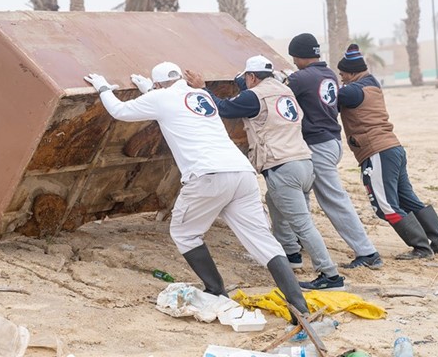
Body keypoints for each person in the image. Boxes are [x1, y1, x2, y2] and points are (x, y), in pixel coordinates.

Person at [83, 61, 310, 319]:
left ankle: (216, 289)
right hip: (241, 173)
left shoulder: (161, 97)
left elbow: (120, 111)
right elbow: (175, 107)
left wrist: (103, 87)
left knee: (184, 233)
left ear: (158, 85)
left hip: (207, 175)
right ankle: (300, 308)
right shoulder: (201, 95)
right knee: (264, 243)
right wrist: (150, 91)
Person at [185, 55, 345, 291]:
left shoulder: (254, 96)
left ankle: (330, 276)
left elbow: (223, 108)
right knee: (274, 201)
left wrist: (202, 89)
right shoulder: (284, 90)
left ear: (251, 77)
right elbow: (251, 92)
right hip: (303, 162)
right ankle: (291, 254)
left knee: (303, 224)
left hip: (282, 166)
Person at [336, 44, 438, 259]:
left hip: (377, 151)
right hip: (393, 148)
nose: (341, 78)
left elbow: (330, 96)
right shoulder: (371, 83)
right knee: (407, 198)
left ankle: (421, 248)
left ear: (352, 73)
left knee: (385, 205)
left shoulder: (353, 91)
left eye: (343, 75)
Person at [286, 33, 382, 270]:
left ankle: (367, 251)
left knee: (334, 200)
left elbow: (277, 92)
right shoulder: (328, 74)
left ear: (299, 56)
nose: (294, 62)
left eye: (294, 58)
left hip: (317, 145)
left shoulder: (300, 78)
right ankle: (295, 243)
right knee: (301, 190)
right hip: (331, 142)